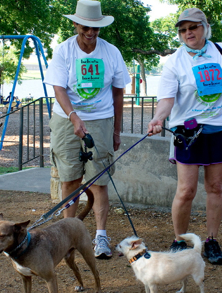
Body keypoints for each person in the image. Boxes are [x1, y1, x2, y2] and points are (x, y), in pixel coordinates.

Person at [148, 8, 222, 265]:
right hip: (188, 133)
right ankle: (179, 241)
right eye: (183, 29)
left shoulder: (220, 50)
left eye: (193, 27)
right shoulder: (175, 62)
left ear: (205, 27)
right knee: (186, 190)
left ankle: (211, 241)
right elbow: (166, 100)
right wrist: (158, 118)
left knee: (216, 188)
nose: (188, 33)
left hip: (220, 128)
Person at [44, 0, 130, 259]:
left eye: (95, 28)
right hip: (66, 118)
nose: (91, 33)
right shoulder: (63, 50)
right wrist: (73, 117)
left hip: (101, 119)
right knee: (69, 179)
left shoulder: (111, 52)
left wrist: (116, 130)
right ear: (75, 24)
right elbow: (59, 88)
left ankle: (100, 237)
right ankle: (68, 237)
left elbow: (118, 92)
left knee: (99, 181)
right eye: (85, 27)